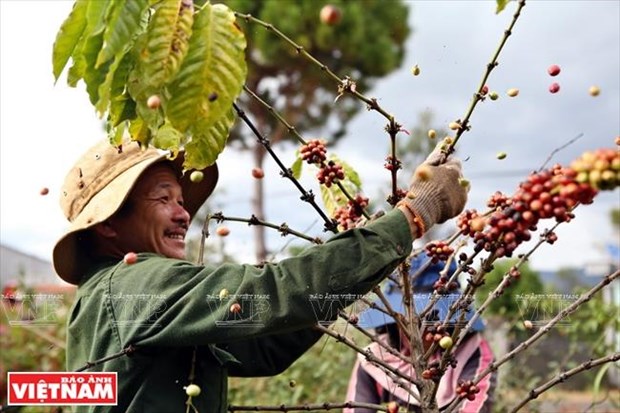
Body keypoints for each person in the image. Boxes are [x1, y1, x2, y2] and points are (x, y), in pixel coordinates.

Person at [52, 138, 468, 412]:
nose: (183, 214)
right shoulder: (131, 285)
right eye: (164, 199)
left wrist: (350, 274)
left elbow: (262, 348)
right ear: (107, 224)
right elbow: (266, 293)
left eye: (181, 200)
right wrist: (409, 218)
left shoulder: (119, 299)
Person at [346, 256, 496, 412]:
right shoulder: (374, 358)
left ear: (449, 322)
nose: (418, 331)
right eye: (407, 321)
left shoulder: (473, 353)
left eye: (429, 321)